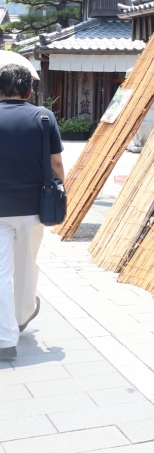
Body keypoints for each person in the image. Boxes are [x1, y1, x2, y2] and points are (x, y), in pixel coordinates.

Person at [0, 63, 63, 360]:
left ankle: (5, 339)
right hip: (32, 208)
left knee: (1, 273)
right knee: (26, 268)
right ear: (29, 90)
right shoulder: (43, 117)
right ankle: (22, 317)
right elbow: (56, 165)